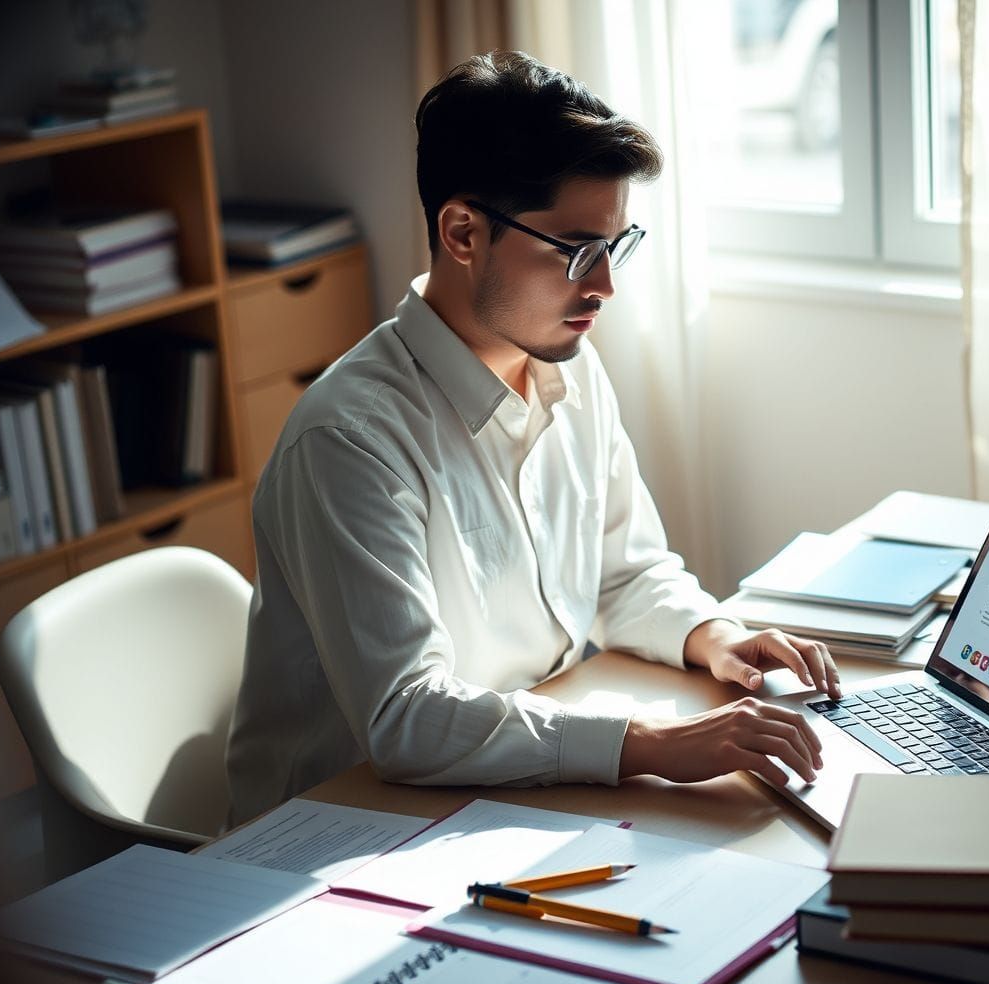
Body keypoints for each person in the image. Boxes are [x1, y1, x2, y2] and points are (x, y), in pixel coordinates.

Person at [224, 51, 839, 825]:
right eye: (577, 250)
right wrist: (648, 743)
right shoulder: (348, 440)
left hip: (504, 792)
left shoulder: (570, 371)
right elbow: (406, 718)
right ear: (461, 233)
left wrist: (713, 636)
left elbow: (624, 575)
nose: (605, 285)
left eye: (617, 245)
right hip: (345, 837)